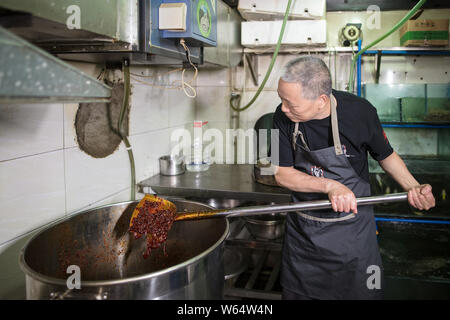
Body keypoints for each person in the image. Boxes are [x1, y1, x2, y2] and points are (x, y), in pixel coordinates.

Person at [273, 56, 435, 300]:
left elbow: (386, 155)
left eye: (290, 103)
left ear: (321, 101)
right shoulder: (281, 117)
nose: (284, 108)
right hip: (305, 237)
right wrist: (330, 186)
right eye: (281, 99)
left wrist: (414, 186)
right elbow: (280, 173)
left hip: (354, 233)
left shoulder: (361, 112)